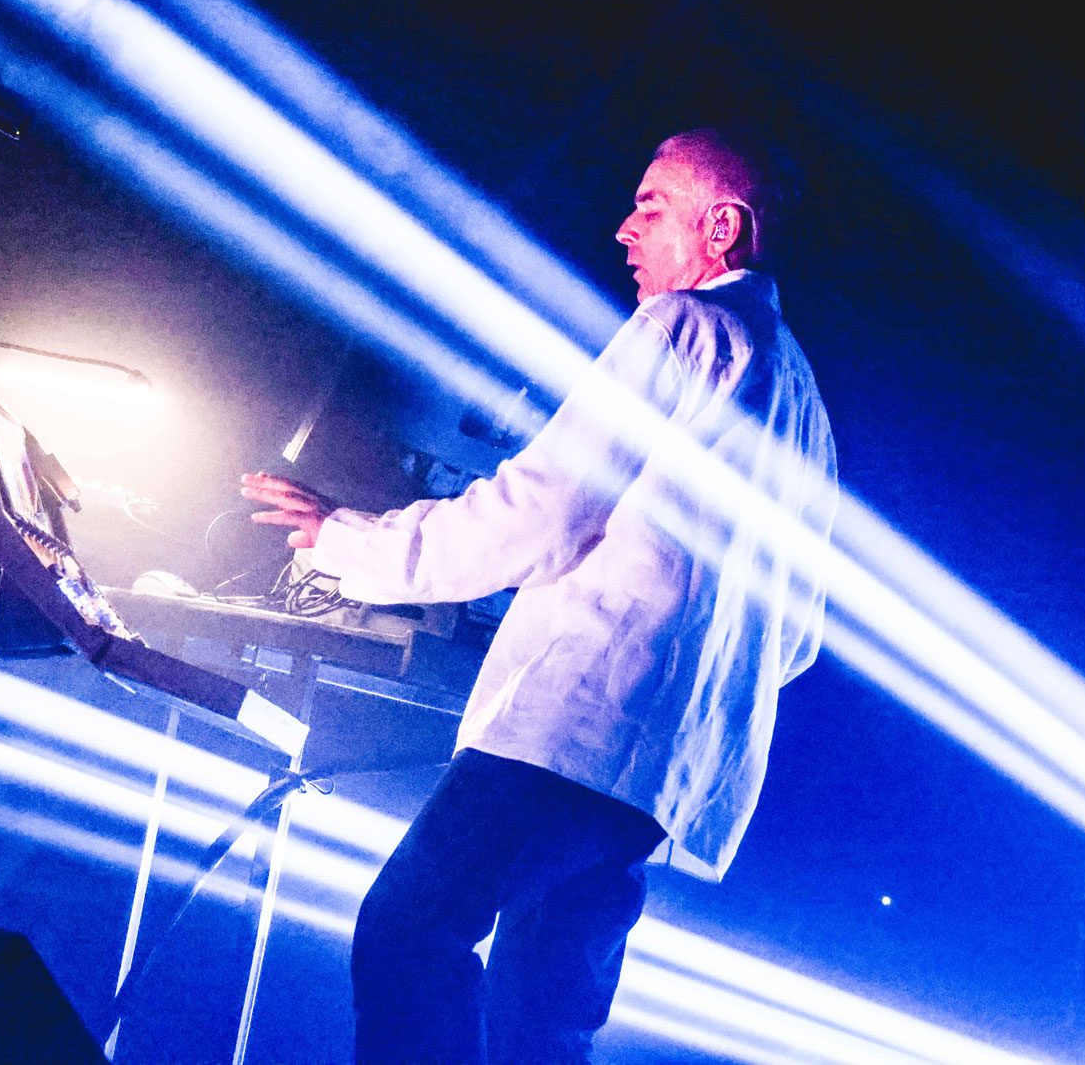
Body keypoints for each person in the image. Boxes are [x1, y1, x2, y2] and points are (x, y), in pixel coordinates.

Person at [242, 127, 838, 1064]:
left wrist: (346, 541)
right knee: (544, 1018)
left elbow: (540, 513)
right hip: (658, 784)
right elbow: (794, 640)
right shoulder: (806, 407)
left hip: (575, 730)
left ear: (722, 227)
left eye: (651, 206)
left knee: (410, 928)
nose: (624, 230)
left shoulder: (684, 328)